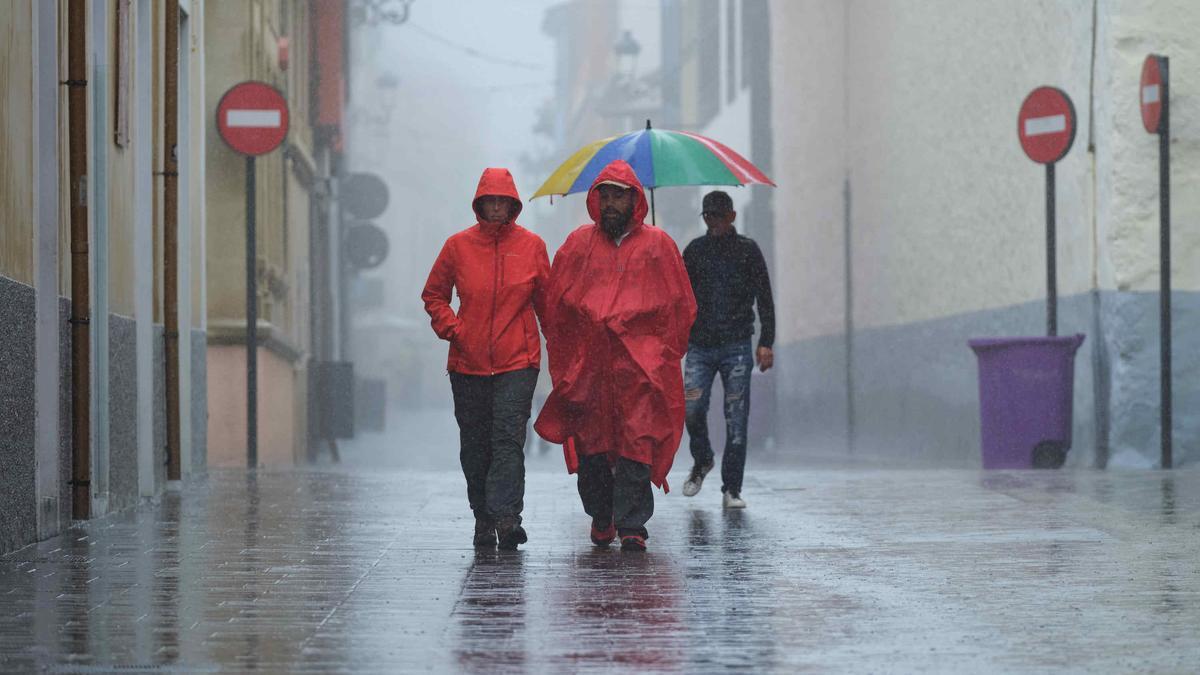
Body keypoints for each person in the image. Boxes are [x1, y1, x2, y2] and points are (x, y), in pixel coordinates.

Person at [535, 160, 696, 552]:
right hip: (590, 365)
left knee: (635, 443)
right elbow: (557, 304)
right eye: (603, 195)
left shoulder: (659, 246)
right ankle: (601, 515)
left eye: (618, 195)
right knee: (593, 446)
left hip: (639, 368)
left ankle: (632, 524)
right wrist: (573, 352)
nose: (610, 203)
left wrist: (660, 355)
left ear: (634, 199)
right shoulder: (577, 245)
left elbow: (679, 306)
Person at [422, 168, 549, 550]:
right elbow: (434, 295)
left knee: (508, 440)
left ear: (513, 205)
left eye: (503, 201)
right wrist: (455, 330)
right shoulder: (457, 247)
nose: (496, 208)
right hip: (467, 363)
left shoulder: (532, 247)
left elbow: (548, 304)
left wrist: (562, 349)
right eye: (490, 201)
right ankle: (483, 516)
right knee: (475, 445)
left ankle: (508, 518)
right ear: (479, 204)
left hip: (517, 361)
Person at [680, 190, 775, 509]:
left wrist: (766, 341)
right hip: (699, 344)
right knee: (691, 408)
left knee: (736, 417)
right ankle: (702, 458)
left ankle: (731, 487)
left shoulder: (748, 251)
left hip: (736, 344)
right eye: (708, 216)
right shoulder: (694, 251)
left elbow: (764, 297)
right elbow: (678, 295)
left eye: (719, 216)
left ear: (732, 217)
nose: (714, 222)